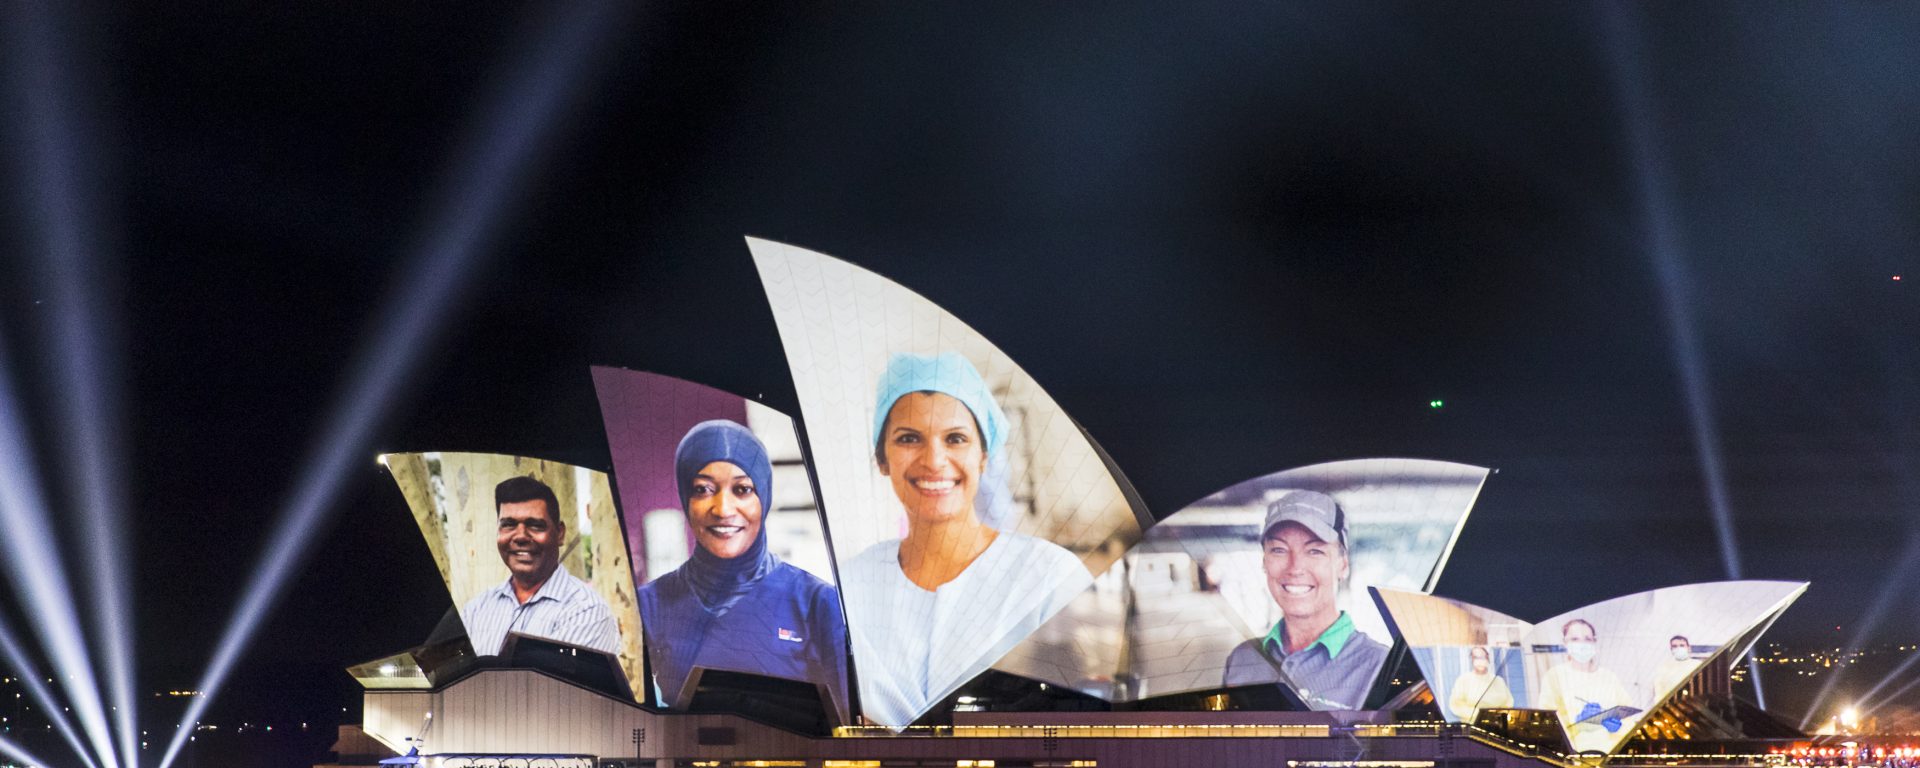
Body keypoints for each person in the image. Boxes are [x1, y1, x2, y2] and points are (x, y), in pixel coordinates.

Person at [840, 352, 1089, 728]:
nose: (935, 460)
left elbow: (1084, 728)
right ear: (882, 459)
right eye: (909, 438)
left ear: (984, 456)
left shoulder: (1049, 577)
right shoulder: (849, 587)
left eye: (955, 438)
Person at [636, 420, 850, 715]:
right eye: (703, 489)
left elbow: (850, 731)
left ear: (765, 497)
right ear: (686, 500)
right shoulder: (649, 605)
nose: (723, 509)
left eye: (743, 489)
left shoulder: (817, 604)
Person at [1220, 490, 1389, 710]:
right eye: (1279, 550)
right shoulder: (1242, 660)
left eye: (1314, 551)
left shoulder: (1379, 667)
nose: (1295, 568)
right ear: (1264, 562)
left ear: (1343, 564)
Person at [460, 475, 618, 656]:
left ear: (560, 534)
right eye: (508, 525)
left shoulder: (587, 611)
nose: (520, 536)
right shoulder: (475, 610)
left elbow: (554, 685)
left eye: (535, 525)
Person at [1537, 618, 1638, 754]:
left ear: (1594, 642)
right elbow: (1547, 724)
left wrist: (1619, 727)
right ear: (1565, 643)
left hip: (1609, 755)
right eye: (1575, 639)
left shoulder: (1609, 677)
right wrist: (1577, 724)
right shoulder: (1555, 676)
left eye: (1587, 639)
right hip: (1572, 757)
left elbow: (1629, 716)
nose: (1582, 644)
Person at [1447, 645, 1515, 721]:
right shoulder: (1463, 680)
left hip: (1496, 726)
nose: (1480, 661)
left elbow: (1508, 703)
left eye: (1482, 657)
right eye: (1476, 657)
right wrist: (1479, 714)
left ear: (1487, 659)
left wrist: (1496, 716)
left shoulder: (1498, 681)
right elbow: (1455, 705)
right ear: (1472, 660)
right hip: (1472, 726)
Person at [1650, 635, 1700, 701]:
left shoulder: (1697, 665)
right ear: (1671, 649)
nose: (1679, 648)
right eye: (1675, 646)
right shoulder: (1663, 668)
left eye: (1682, 645)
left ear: (1688, 648)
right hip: (1671, 705)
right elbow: (1658, 693)